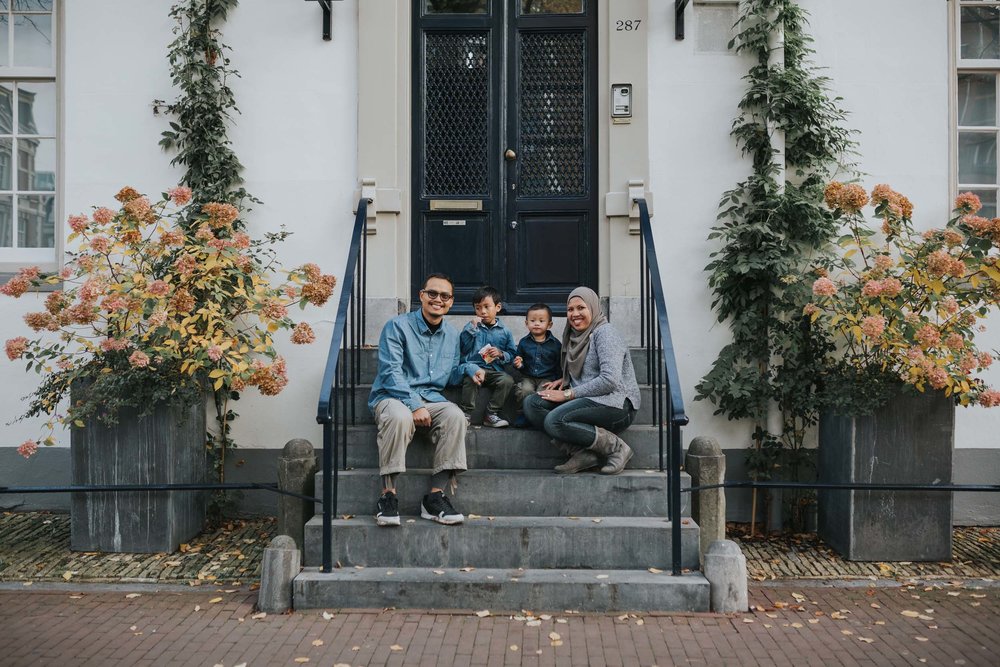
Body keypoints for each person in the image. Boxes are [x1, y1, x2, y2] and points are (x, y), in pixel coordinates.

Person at [368, 273, 485, 527]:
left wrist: (469, 369)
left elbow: (449, 376)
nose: (438, 299)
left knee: (455, 416)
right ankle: (388, 496)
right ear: (421, 296)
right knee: (399, 417)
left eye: (445, 296)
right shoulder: (397, 326)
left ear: (451, 302)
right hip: (392, 395)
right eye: (432, 293)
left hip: (430, 398)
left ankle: (434, 497)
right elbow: (390, 373)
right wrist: (415, 405)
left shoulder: (452, 335)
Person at [523, 287, 640, 475]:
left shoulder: (605, 333)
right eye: (570, 309)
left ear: (593, 307)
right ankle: (582, 453)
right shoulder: (573, 335)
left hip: (615, 403)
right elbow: (586, 369)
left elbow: (609, 380)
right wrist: (565, 379)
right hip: (586, 398)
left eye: (581, 308)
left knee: (555, 420)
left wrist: (568, 394)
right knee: (532, 403)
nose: (575, 314)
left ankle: (616, 448)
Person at [459, 286, 518, 428]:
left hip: (494, 371)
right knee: (469, 380)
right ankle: (466, 413)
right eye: (478, 308)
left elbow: (512, 353)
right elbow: (463, 348)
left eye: (487, 307)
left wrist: (501, 354)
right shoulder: (471, 327)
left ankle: (491, 413)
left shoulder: (505, 331)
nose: (483, 312)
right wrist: (471, 330)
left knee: (507, 380)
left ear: (498, 307)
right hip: (474, 368)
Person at [512, 303, 562, 425]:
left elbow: (559, 364)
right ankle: (523, 414)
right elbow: (519, 362)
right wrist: (518, 364)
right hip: (528, 377)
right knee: (524, 390)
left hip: (547, 378)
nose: (536, 324)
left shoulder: (556, 345)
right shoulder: (523, 342)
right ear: (526, 323)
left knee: (542, 394)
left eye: (541, 321)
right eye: (532, 320)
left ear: (549, 324)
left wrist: (559, 379)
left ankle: (537, 415)